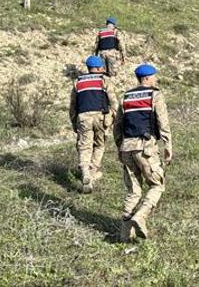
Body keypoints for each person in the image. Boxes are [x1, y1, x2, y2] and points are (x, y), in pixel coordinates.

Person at [113, 64, 173, 241]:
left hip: (126, 148)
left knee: (133, 191)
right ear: (146, 78)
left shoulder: (126, 96)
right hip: (145, 148)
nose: (156, 79)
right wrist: (168, 146)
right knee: (157, 185)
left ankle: (124, 235)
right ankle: (141, 216)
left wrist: (119, 146)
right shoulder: (155, 95)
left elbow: (117, 126)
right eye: (154, 76)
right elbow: (163, 122)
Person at [69, 56, 118, 193]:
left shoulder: (78, 82)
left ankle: (85, 172)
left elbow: (73, 106)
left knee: (84, 146)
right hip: (100, 116)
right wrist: (113, 116)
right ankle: (92, 170)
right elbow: (113, 101)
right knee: (99, 144)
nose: (103, 68)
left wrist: (74, 122)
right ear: (97, 68)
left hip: (83, 117)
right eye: (101, 66)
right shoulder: (104, 80)